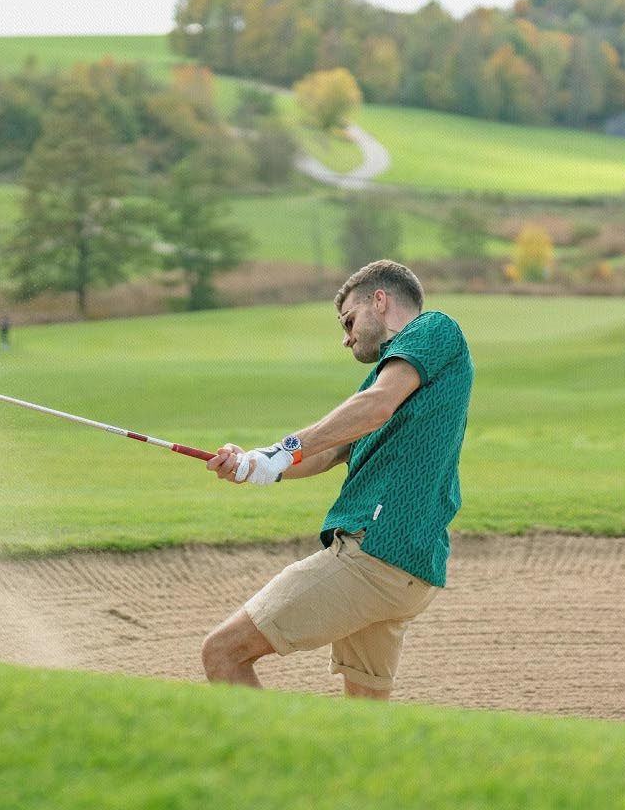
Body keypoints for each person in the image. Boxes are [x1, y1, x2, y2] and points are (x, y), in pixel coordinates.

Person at [201, 259, 472, 699]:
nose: (346, 338)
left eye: (349, 320)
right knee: (363, 718)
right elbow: (327, 451)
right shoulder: (388, 379)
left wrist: (282, 451)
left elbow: (376, 405)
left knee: (222, 654)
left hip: (373, 553)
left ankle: (280, 769)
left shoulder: (433, 329)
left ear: (380, 301)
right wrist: (253, 464)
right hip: (407, 567)